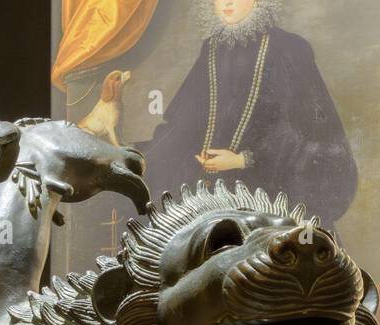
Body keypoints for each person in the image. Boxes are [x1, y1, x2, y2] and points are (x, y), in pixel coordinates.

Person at [139, 0, 357, 226]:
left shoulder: (289, 49)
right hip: (206, 187)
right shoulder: (211, 49)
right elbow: (183, 122)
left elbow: (305, 129)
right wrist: (141, 156)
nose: (227, 2)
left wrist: (242, 159)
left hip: (267, 189)